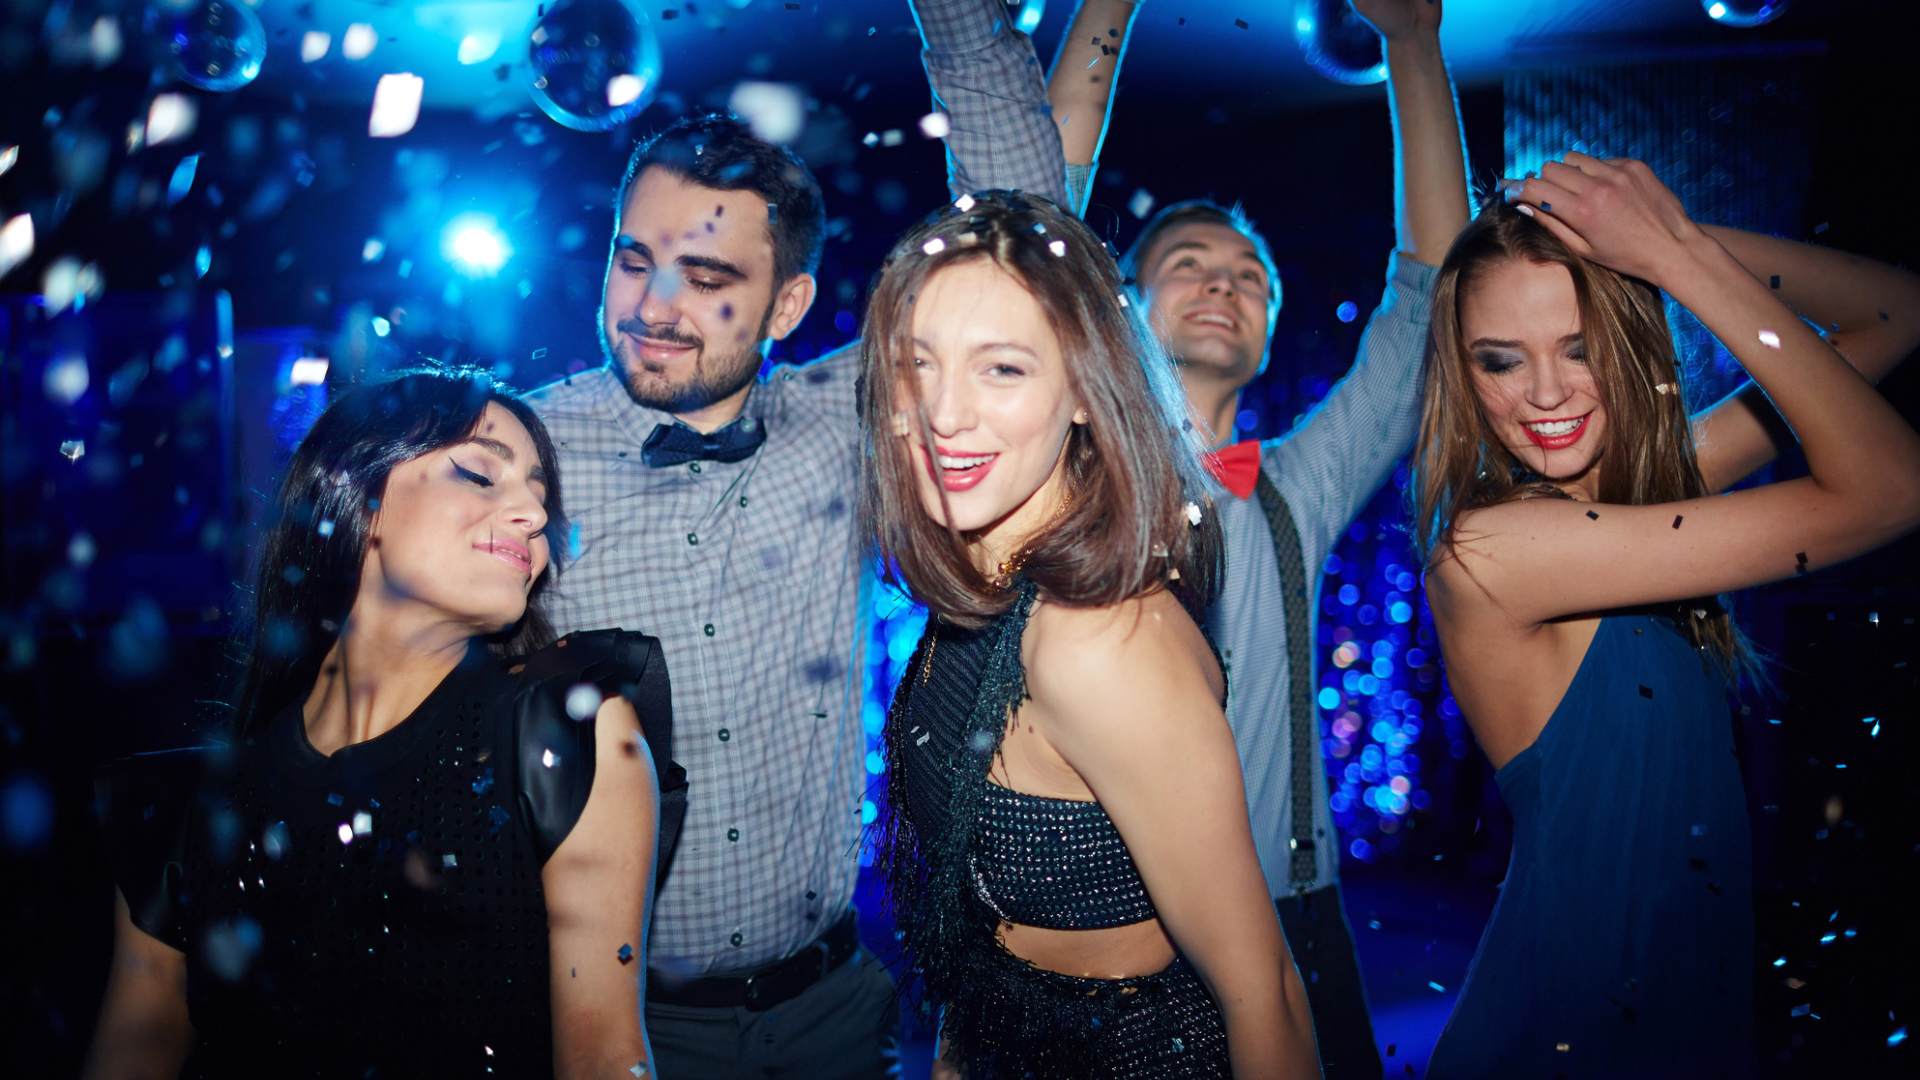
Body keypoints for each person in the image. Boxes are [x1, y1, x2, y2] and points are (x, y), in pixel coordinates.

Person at [522, 0, 1070, 1073]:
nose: (653, 305)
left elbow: (1024, 246)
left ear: (787, 306)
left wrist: (956, 16)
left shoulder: (842, 424)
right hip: (614, 1024)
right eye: (634, 260)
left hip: (835, 1011)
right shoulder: (521, 456)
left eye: (708, 279)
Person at [1416, 159, 1920, 1076]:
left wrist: (1659, 241)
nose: (1546, 393)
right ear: (1463, 372)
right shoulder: (1494, 552)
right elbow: (1893, 488)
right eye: (1501, 359)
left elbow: (1896, 312)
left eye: (1580, 347)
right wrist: (1673, 257)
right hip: (1573, 1036)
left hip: (1683, 1014)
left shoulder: (1644, 499)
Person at [1049, 3, 1469, 1073]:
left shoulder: (1301, 481)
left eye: (1249, 277)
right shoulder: (1062, 467)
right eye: (1190, 263)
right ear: (1123, 308)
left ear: (1271, 326)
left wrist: (1414, 44)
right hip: (1112, 916)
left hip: (1295, 908)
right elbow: (1031, 234)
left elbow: (1429, 293)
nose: (1222, 284)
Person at [84, 368, 681, 1078]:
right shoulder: (181, 809)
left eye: (540, 498)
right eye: (479, 474)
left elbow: (605, 1058)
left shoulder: (567, 738)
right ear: (357, 498)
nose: (532, 514)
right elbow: (135, 1051)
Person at [866, 191, 1319, 1078]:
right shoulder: (985, 577)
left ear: (1082, 391)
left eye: (1002, 368)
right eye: (918, 363)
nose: (943, 413)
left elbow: (1264, 993)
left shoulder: (1096, 643)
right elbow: (976, 931)